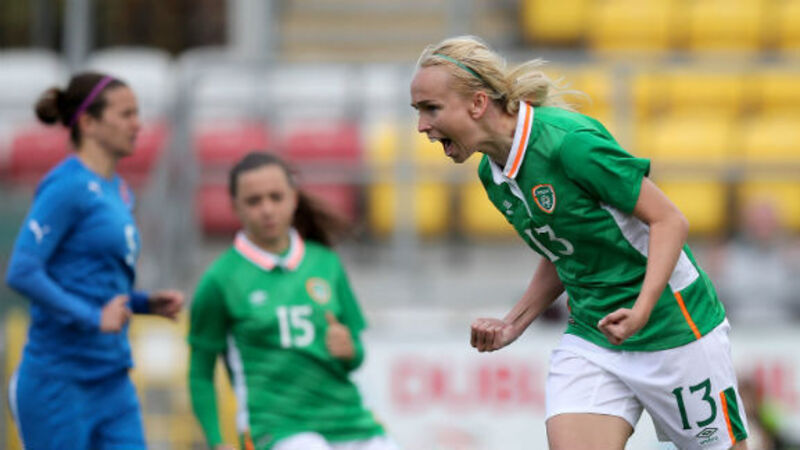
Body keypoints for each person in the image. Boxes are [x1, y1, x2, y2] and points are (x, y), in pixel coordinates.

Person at [410, 36, 749, 450]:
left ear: (478, 103)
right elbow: (564, 249)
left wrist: (641, 310)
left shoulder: (569, 143)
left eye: (431, 108)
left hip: (675, 329)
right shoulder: (492, 174)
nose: (422, 126)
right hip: (594, 334)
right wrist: (514, 322)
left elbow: (669, 220)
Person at [4, 72, 185, 449]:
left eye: (137, 113)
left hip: (112, 378)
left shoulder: (120, 191)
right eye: (126, 114)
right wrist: (91, 317)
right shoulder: (67, 185)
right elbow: (22, 270)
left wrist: (144, 303)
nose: (138, 124)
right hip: (59, 382)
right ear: (88, 122)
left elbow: (92, 282)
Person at [188, 152, 396, 450]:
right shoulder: (220, 280)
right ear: (235, 207)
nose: (267, 209)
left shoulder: (326, 262)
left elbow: (357, 355)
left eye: (276, 197)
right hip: (274, 429)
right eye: (254, 201)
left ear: (294, 198)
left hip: (348, 419)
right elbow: (200, 372)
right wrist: (216, 440)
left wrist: (350, 350)